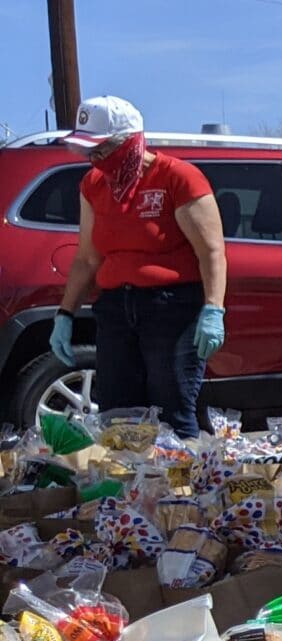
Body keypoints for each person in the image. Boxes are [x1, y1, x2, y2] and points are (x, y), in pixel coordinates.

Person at [53, 97, 226, 437]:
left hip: (171, 307)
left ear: (129, 142)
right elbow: (88, 257)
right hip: (116, 308)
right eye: (90, 152)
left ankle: (181, 489)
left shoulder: (177, 177)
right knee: (119, 415)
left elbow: (211, 251)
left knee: (171, 412)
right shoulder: (93, 185)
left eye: (103, 150)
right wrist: (65, 314)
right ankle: (129, 489)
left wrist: (213, 309)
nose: (96, 160)